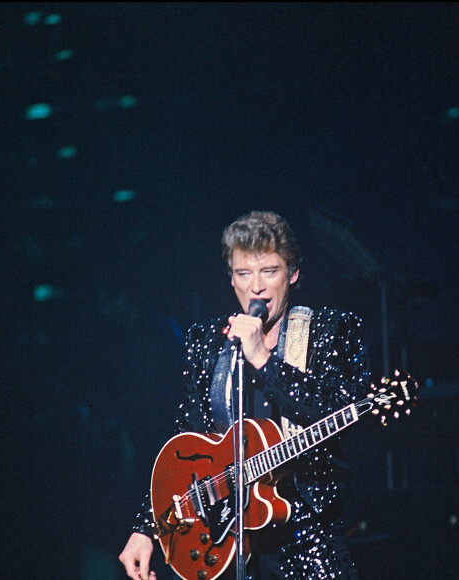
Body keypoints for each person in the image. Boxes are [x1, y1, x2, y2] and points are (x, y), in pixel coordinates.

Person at [119, 210, 371, 579]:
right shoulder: (208, 342)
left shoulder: (332, 331)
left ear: (293, 274)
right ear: (231, 280)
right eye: (244, 274)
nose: (257, 287)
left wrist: (264, 360)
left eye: (269, 271)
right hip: (225, 544)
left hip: (309, 546)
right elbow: (187, 443)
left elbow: (337, 413)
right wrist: (149, 527)